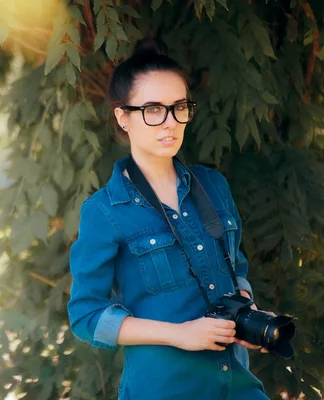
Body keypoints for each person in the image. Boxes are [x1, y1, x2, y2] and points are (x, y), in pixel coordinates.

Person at [67, 39, 271, 400]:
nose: (170, 122)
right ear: (122, 116)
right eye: (152, 109)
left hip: (238, 387)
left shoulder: (214, 186)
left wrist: (248, 312)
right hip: (162, 389)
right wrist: (178, 334)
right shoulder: (104, 212)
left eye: (179, 107)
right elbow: (86, 316)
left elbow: (236, 270)